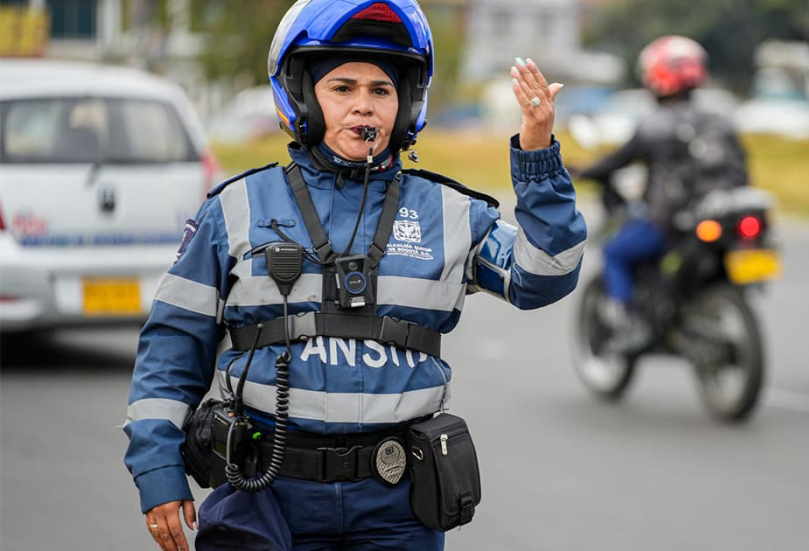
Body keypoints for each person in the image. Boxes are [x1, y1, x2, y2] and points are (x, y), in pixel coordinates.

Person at [122, 0, 586, 548]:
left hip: (399, 506)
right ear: (300, 95)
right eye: (342, 88)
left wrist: (537, 157)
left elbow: (545, 274)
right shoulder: (235, 208)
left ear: (407, 101)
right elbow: (172, 348)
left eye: (381, 91)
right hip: (263, 494)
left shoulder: (451, 212)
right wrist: (158, 474)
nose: (363, 107)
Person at [577, 35, 748, 347]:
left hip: (673, 221)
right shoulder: (720, 121)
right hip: (725, 215)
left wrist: (580, 170)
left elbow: (615, 162)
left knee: (614, 252)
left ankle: (629, 323)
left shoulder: (654, 125)